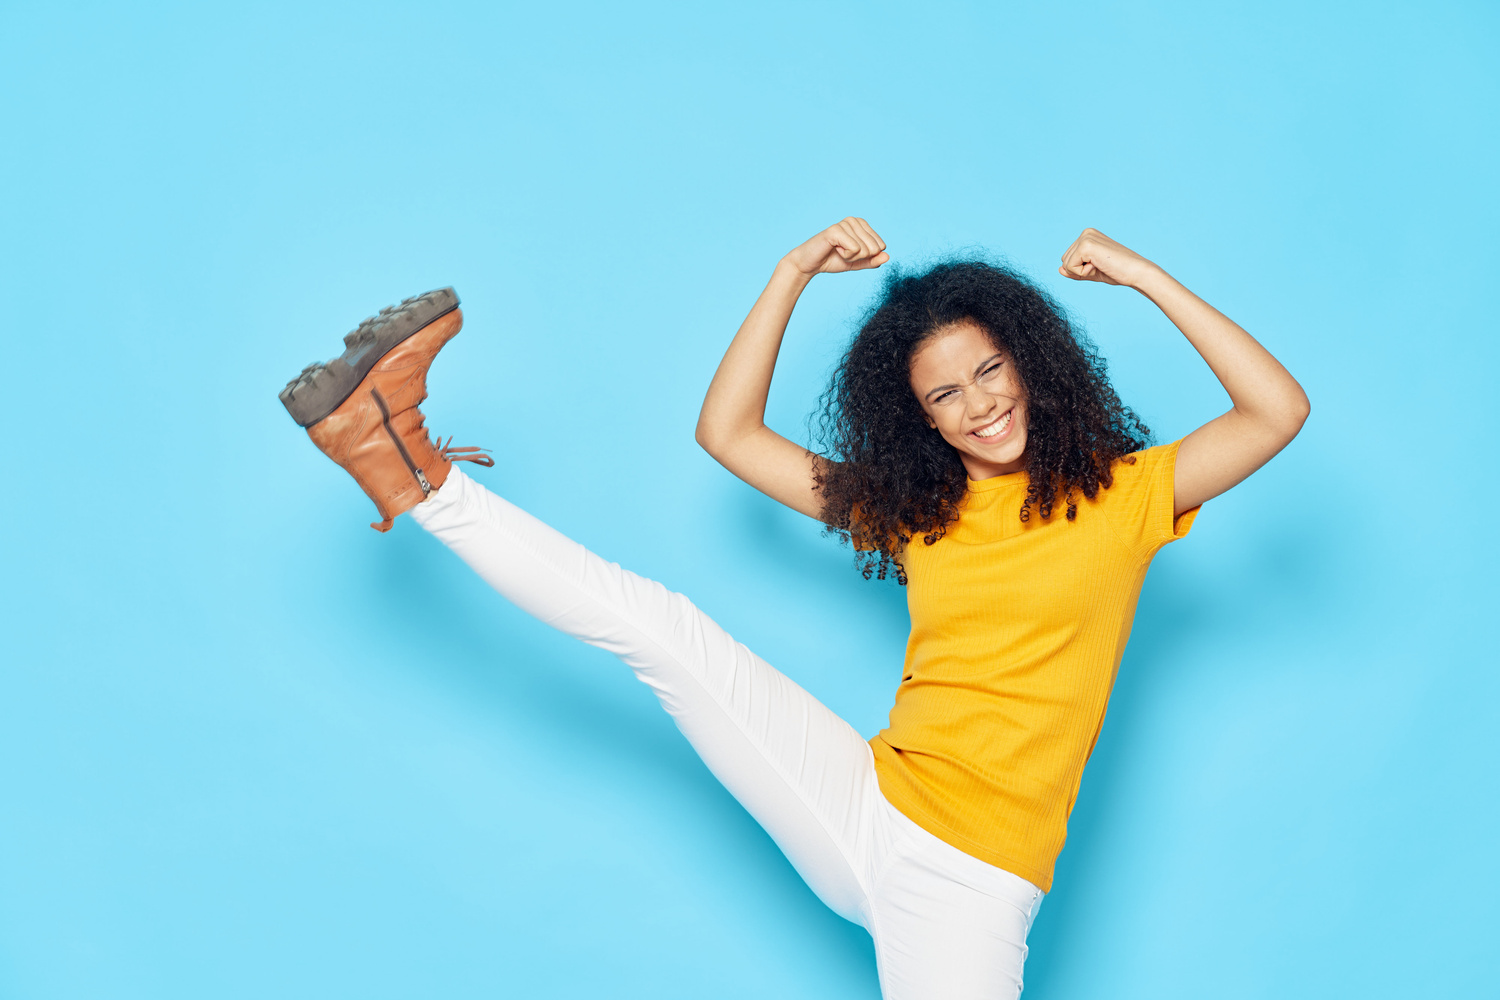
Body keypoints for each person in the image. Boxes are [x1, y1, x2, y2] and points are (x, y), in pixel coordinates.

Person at [278, 219, 1309, 999]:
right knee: (665, 631)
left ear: (1030, 366)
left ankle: (404, 465)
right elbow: (729, 433)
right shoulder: (922, 510)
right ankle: (408, 469)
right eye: (945, 393)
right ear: (919, 416)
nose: (980, 403)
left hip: (970, 884)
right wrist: (792, 273)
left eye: (991, 370)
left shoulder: (1127, 494)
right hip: (866, 795)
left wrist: (1142, 276)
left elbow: (1277, 409)